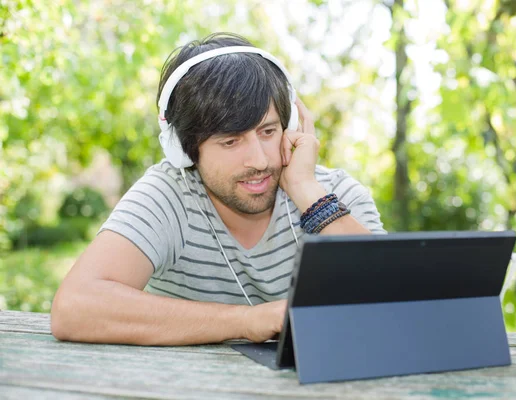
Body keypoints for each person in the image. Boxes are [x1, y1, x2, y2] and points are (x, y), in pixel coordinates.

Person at [51, 32, 386, 346]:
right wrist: (246, 321)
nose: (258, 159)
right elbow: (75, 308)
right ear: (185, 150)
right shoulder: (170, 194)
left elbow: (395, 301)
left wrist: (305, 191)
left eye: (268, 132)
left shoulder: (333, 193)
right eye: (230, 140)